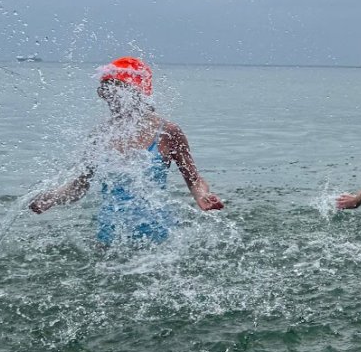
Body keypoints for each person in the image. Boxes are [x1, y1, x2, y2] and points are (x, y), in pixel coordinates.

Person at [29, 56, 223, 246]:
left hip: (158, 238)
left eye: (114, 91)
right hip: (108, 238)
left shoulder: (167, 132)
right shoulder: (99, 135)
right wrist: (52, 197)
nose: (108, 98)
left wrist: (202, 196)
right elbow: (80, 186)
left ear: (137, 92)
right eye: (104, 91)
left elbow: (194, 180)